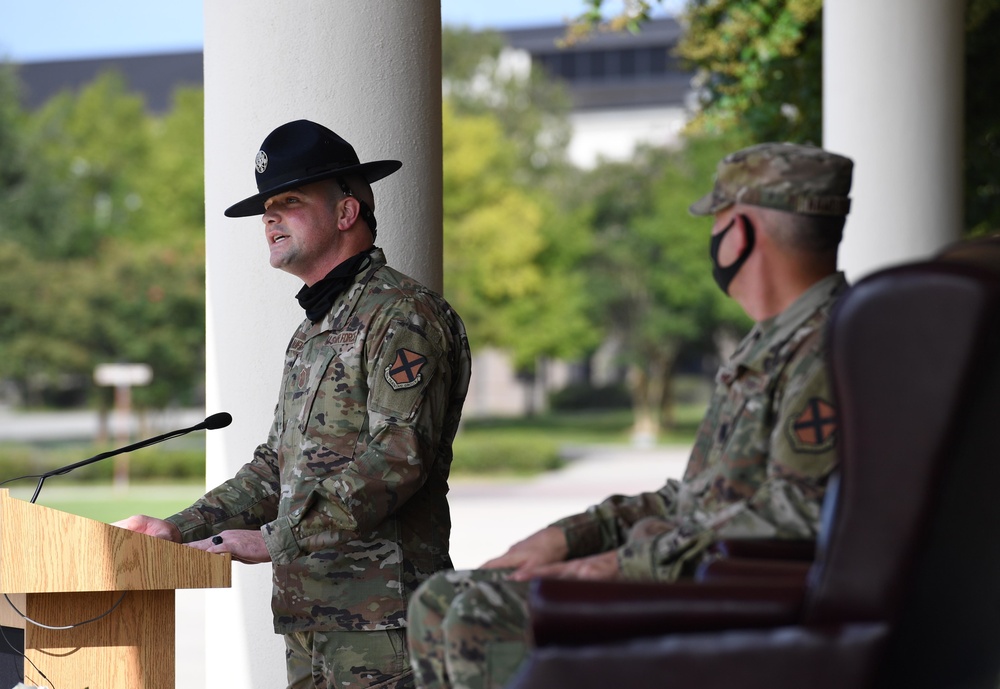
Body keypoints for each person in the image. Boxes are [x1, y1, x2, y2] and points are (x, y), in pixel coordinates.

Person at [406, 142, 854, 689]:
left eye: (716, 222)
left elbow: (796, 515)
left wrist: (621, 564)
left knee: (481, 614)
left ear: (740, 231)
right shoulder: (769, 344)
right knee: (439, 598)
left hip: (723, 596)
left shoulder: (831, 349)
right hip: (687, 572)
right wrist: (572, 537)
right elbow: (695, 497)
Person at [115, 119, 472, 689]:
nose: (270, 219)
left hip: (387, 629)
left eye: (289, 201)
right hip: (311, 625)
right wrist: (175, 531)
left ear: (346, 212)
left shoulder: (402, 315)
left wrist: (272, 539)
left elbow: (399, 458)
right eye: (266, 208)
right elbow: (272, 471)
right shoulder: (313, 331)